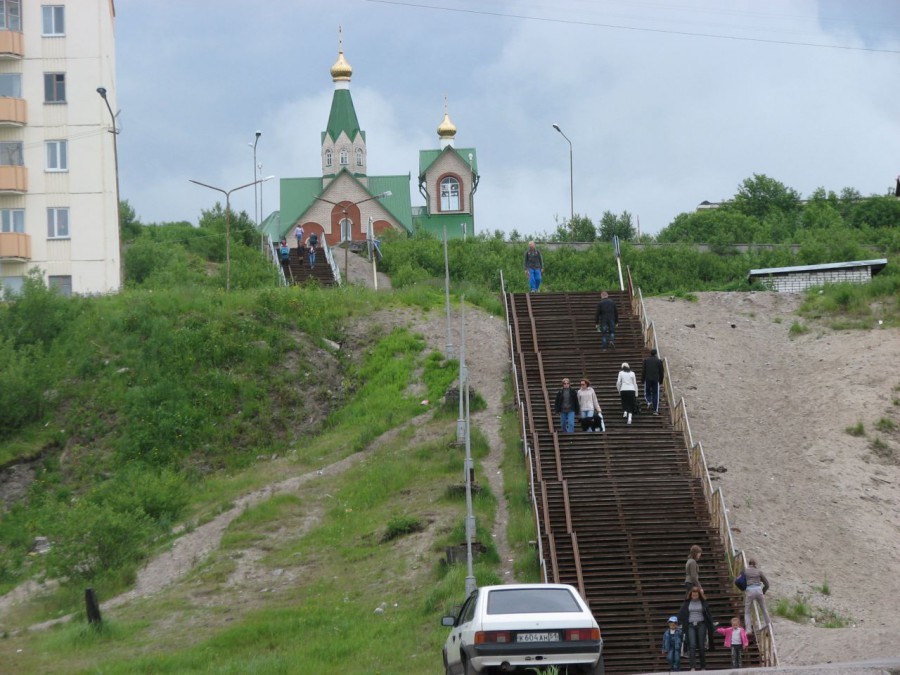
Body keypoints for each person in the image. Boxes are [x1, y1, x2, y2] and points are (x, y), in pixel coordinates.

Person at [678, 586, 715, 671]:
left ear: (699, 595)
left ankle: (703, 667)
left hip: (701, 624)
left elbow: (708, 614)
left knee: (702, 646)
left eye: (696, 595)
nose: (694, 597)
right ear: (690, 595)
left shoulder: (703, 602)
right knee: (692, 645)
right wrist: (680, 622)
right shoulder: (687, 603)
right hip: (690, 625)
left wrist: (710, 625)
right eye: (693, 595)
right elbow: (681, 613)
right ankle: (692, 667)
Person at [743, 558, 772, 635]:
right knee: (764, 609)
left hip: (749, 590)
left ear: (749, 564)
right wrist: (763, 592)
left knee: (747, 611)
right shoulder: (759, 571)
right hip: (759, 590)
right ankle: (769, 627)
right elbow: (767, 584)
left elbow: (739, 580)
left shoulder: (745, 571)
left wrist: (743, 588)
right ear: (755, 564)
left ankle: (748, 630)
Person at [642, 348, 665, 415]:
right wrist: (661, 381)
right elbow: (661, 372)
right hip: (656, 379)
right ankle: (655, 410)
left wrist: (643, 379)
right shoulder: (659, 361)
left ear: (650, 353)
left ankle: (648, 401)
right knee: (656, 394)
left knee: (647, 391)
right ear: (656, 354)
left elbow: (644, 371)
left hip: (648, 379)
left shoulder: (646, 360)